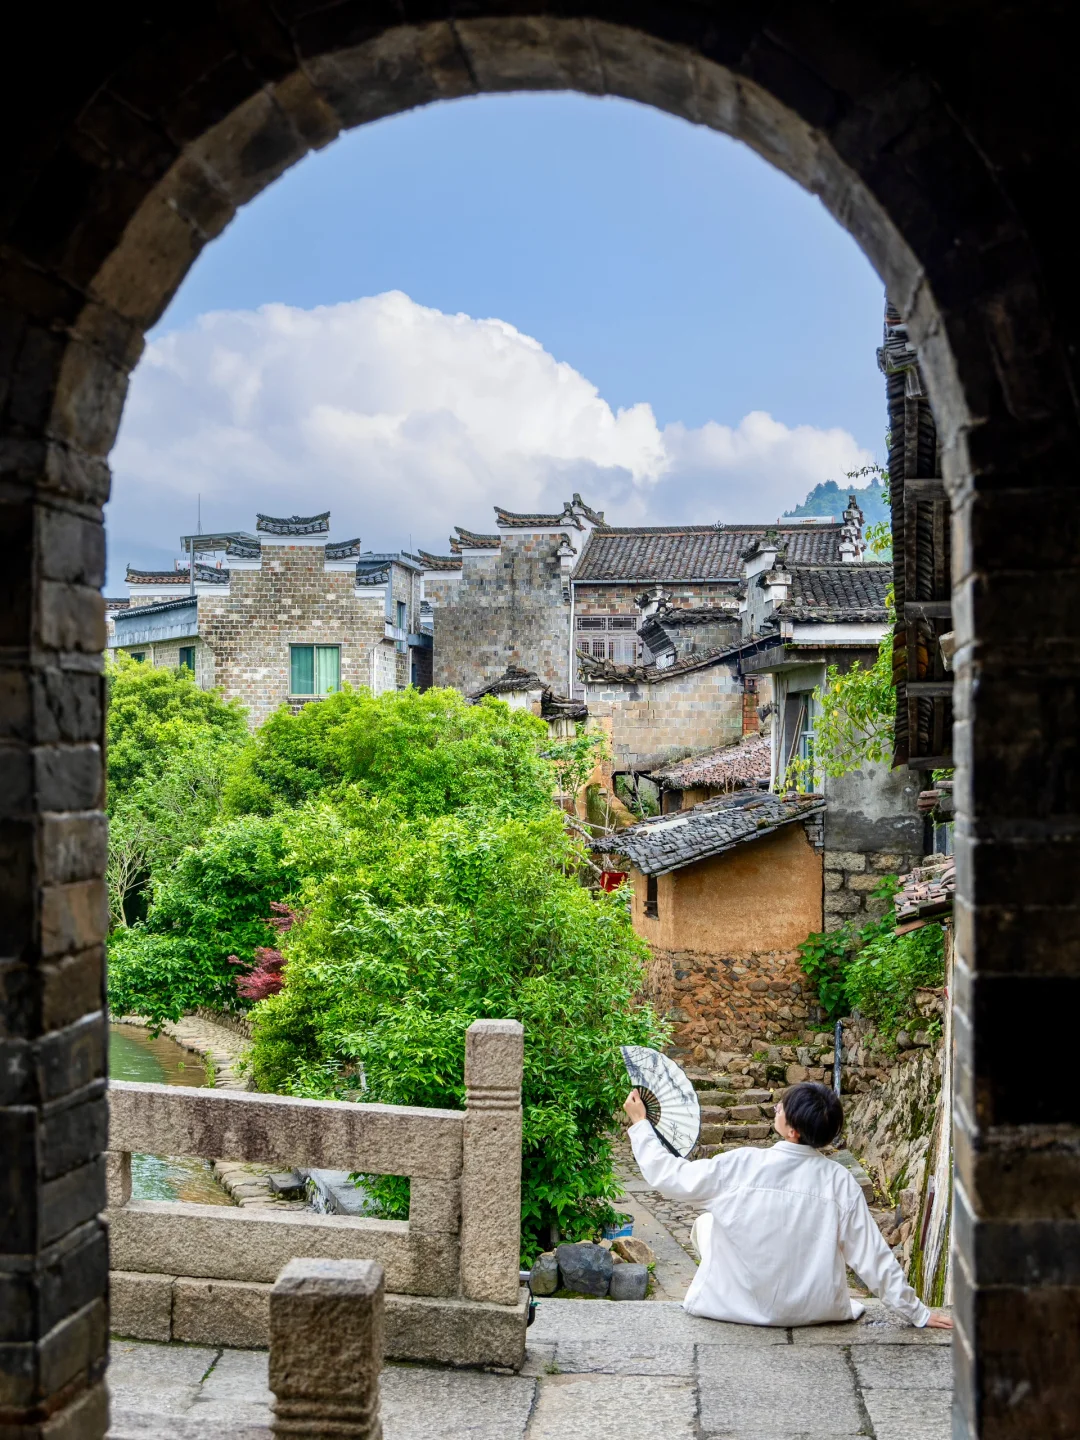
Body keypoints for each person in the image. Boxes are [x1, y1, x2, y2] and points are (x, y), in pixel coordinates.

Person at [624, 1080, 952, 1329]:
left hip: (735, 1307)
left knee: (705, 1223)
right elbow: (871, 1256)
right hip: (816, 1310)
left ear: (792, 1131)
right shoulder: (840, 1181)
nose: (777, 1108)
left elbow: (669, 1175)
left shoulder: (741, 1165)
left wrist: (641, 1125)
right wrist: (917, 1313)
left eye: (782, 1107)